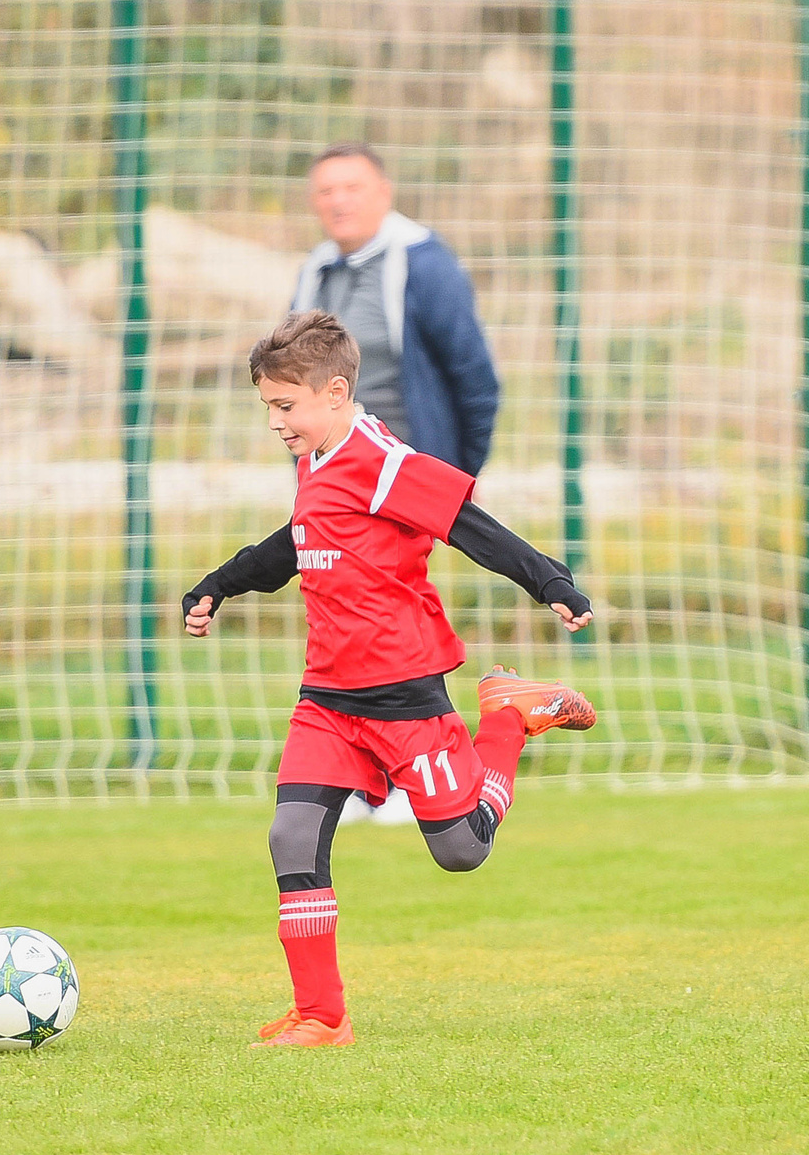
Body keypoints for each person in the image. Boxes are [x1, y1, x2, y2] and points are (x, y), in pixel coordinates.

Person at [181, 312, 593, 1049]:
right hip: (328, 699)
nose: (276, 421)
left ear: (335, 392)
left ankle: (507, 718)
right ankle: (321, 1015)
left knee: (462, 848)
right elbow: (295, 542)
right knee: (292, 833)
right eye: (268, 407)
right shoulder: (315, 460)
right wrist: (221, 583)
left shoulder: (383, 459)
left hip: (405, 694)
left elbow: (470, 524)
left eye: (285, 406)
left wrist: (551, 581)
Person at [293, 142, 503, 827]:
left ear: (383, 191)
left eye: (352, 186)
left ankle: (427, 777)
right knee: (347, 624)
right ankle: (367, 778)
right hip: (336, 487)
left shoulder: (425, 263)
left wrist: (449, 483)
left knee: (396, 623)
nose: (338, 201)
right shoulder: (315, 273)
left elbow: (475, 379)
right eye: (326, 190)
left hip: (403, 482)